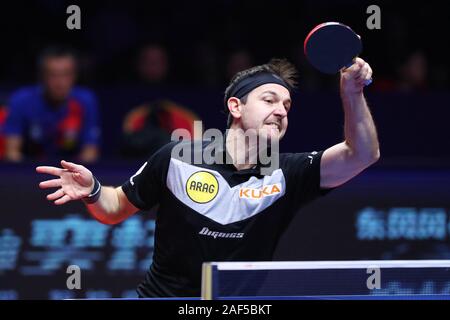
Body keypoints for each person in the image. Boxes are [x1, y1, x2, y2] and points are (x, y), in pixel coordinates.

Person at [36, 58, 379, 297]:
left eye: (287, 106)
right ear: (236, 107)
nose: (280, 111)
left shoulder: (289, 172)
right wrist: (94, 190)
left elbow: (361, 155)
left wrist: (352, 94)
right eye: (269, 100)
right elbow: (114, 209)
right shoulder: (178, 158)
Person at [3, 46, 100, 163]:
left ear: (75, 76)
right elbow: (12, 153)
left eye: (66, 74)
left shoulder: (85, 100)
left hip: (71, 174)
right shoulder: (21, 100)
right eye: (53, 75)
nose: (60, 82)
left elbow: (90, 153)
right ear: (41, 76)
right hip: (30, 173)